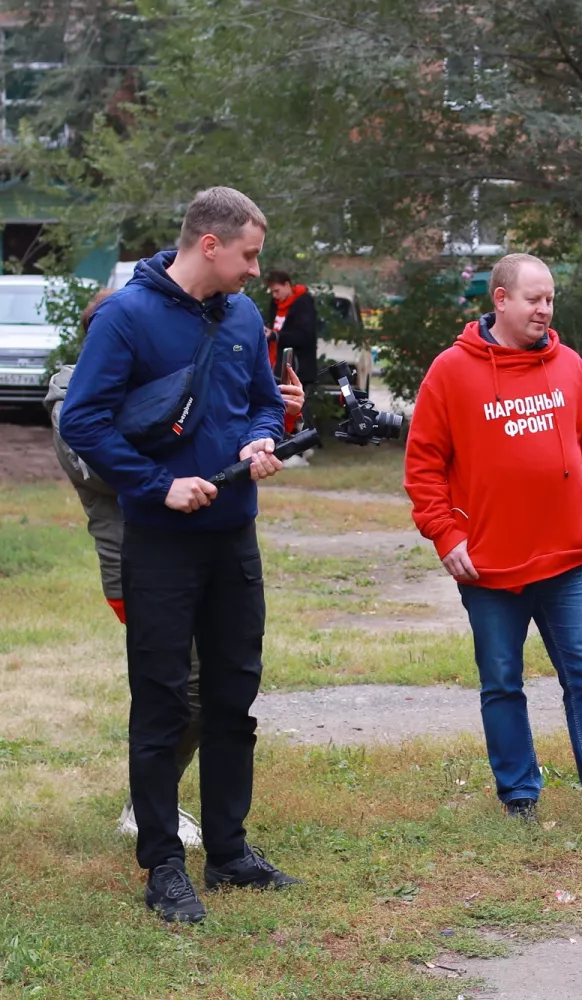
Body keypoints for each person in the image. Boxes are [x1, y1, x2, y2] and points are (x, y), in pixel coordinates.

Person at [60, 187, 301, 923]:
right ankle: (164, 865)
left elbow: (262, 399)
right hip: (160, 544)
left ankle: (228, 851)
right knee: (162, 702)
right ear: (209, 244)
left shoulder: (243, 316)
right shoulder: (129, 317)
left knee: (233, 697)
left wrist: (263, 436)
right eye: (249, 255)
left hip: (233, 538)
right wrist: (158, 486)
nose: (257, 271)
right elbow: (82, 420)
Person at [404, 252, 582, 827]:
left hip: (566, 559)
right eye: (534, 299)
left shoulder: (568, 366)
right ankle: (519, 793)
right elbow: (423, 466)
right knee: (501, 682)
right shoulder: (452, 370)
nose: (545, 309)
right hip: (488, 566)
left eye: (550, 299)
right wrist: (445, 534)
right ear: (500, 300)